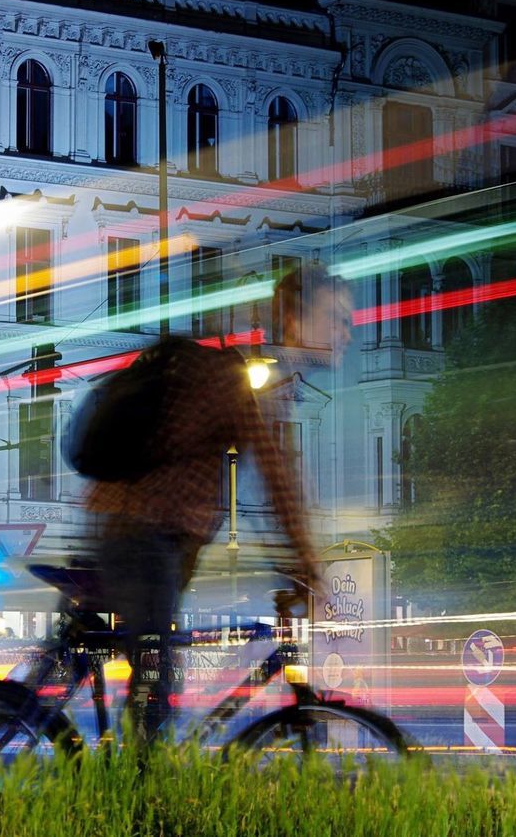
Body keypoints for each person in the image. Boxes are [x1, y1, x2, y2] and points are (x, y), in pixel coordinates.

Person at [79, 267, 351, 742]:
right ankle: (141, 806)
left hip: (130, 530)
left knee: (137, 664)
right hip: (141, 534)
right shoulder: (245, 380)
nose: (346, 332)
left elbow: (274, 482)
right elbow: (279, 480)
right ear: (293, 318)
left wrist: (291, 561)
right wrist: (307, 565)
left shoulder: (252, 377)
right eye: (335, 317)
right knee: (156, 683)